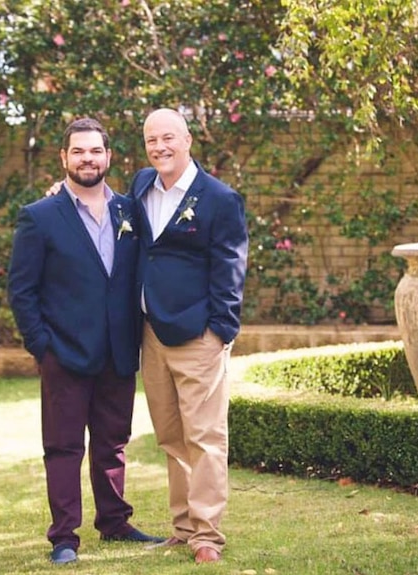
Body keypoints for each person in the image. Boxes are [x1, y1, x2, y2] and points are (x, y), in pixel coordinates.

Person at [7, 117, 165, 566]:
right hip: (64, 354)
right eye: (78, 151)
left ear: (108, 157)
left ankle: (114, 523)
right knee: (63, 447)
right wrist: (42, 345)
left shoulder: (130, 211)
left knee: (112, 443)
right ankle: (64, 538)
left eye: (95, 151)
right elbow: (22, 290)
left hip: (118, 351)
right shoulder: (39, 216)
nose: (87, 159)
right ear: (64, 158)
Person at [130, 108, 249, 564]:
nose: (159, 147)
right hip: (150, 335)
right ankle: (182, 527)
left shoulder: (219, 198)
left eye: (167, 138)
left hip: (197, 336)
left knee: (205, 438)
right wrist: (63, 192)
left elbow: (230, 268)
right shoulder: (142, 186)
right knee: (170, 436)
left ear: (187, 140)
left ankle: (207, 537)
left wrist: (221, 330)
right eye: (151, 140)